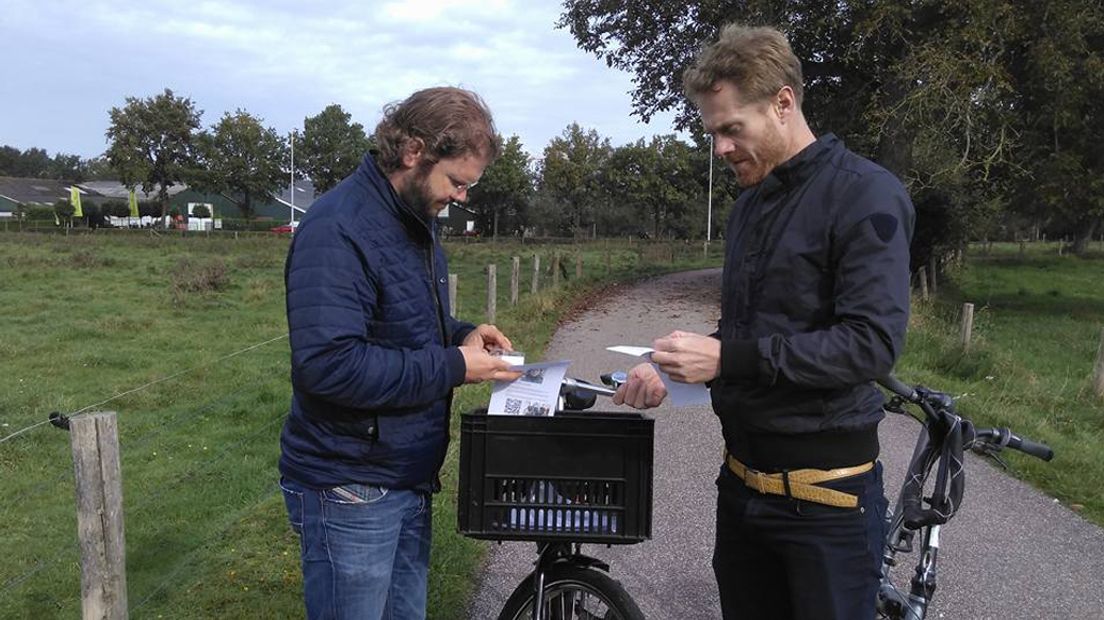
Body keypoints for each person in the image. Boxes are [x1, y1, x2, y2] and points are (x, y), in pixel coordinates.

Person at [614, 25, 914, 620]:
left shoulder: (866, 195)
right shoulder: (749, 205)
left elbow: (870, 345)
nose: (720, 148)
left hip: (828, 503)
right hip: (741, 487)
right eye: (712, 133)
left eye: (731, 129)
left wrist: (725, 360)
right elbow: (747, 331)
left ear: (783, 103)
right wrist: (674, 370)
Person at [279, 86, 521, 620]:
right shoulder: (337, 229)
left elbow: (404, 326)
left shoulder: (413, 220)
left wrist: (461, 333)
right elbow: (330, 365)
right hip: (349, 485)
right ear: (414, 151)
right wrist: (456, 365)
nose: (461, 197)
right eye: (457, 181)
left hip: (404, 476)